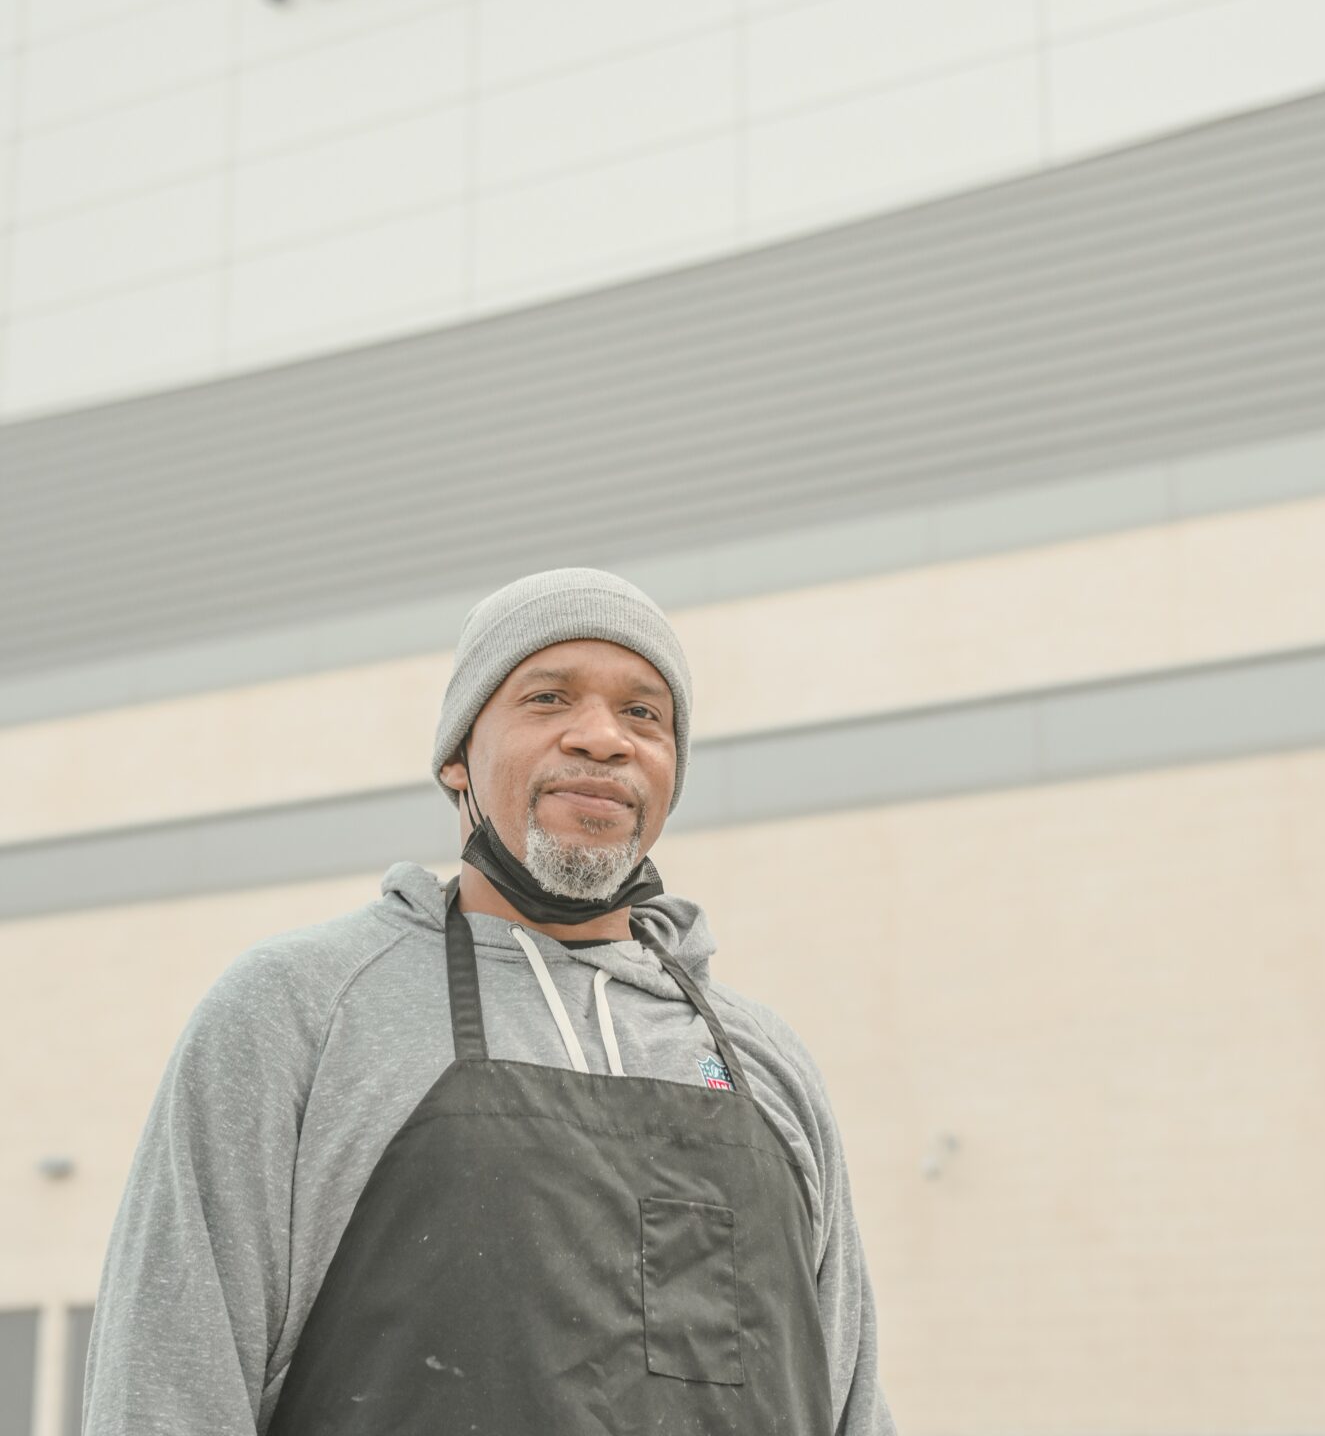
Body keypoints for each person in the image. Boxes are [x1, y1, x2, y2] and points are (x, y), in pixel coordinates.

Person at [83, 567, 896, 1434]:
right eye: (547, 698)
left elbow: (849, 1401)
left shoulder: (763, 1059)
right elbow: (164, 1388)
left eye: (643, 713)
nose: (603, 739)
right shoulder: (299, 1011)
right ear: (455, 756)